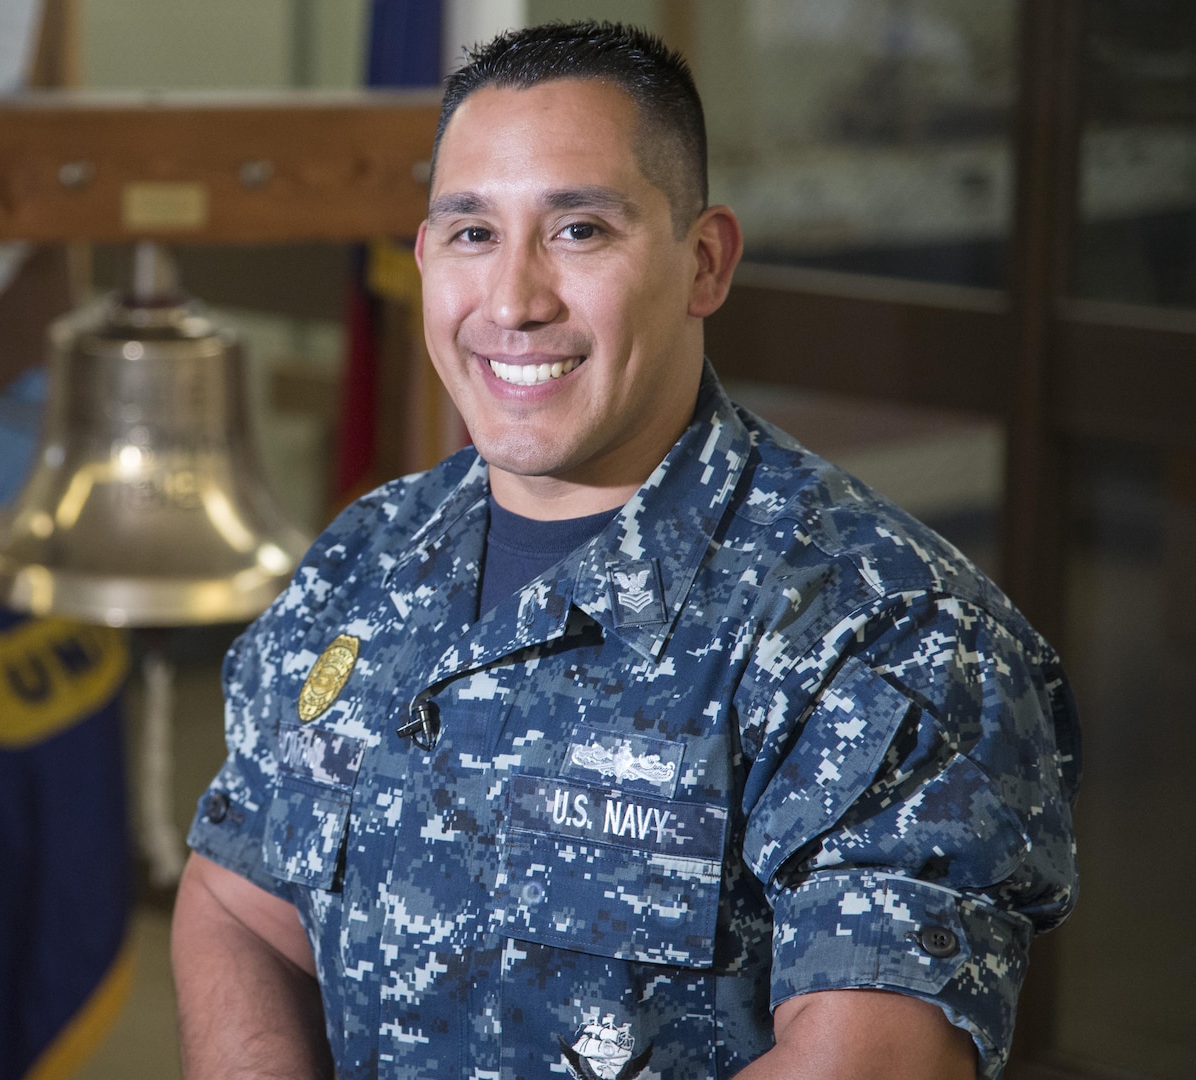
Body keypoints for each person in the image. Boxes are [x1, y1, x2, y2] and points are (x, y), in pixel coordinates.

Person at [172, 21, 1080, 1080]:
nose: (512, 302)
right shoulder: (361, 563)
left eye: (579, 231)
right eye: (472, 234)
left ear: (704, 263)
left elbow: (865, 1063)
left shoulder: (884, 632)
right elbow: (237, 903)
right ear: (424, 257)